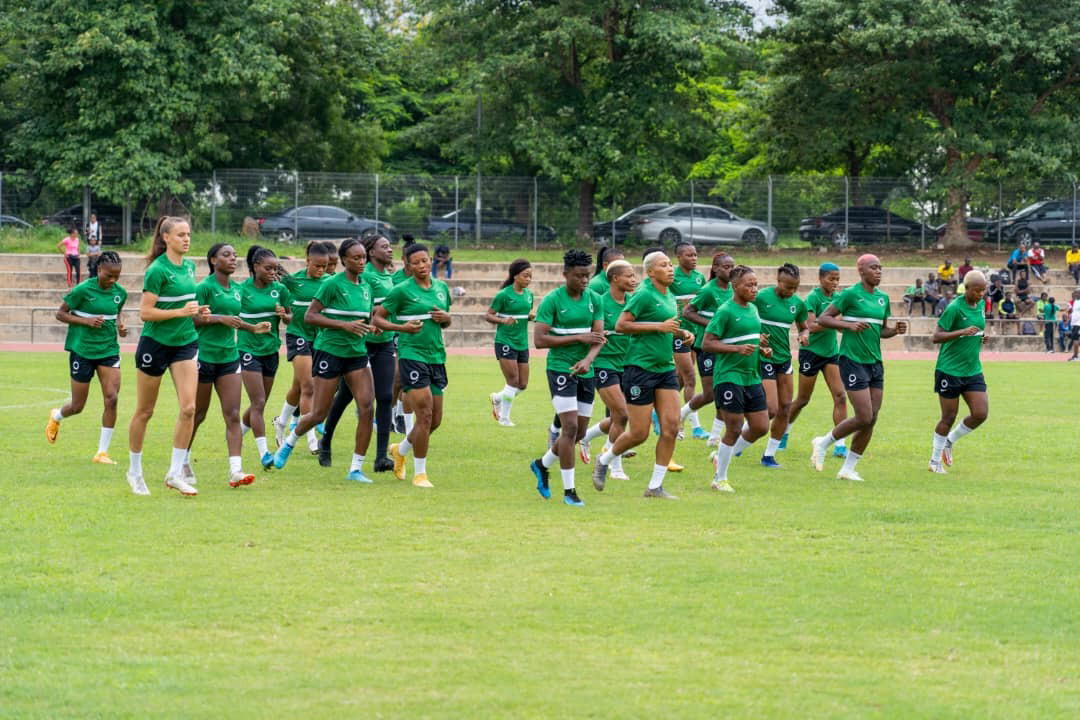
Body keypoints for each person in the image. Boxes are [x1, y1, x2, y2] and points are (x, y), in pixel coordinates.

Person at [273, 237, 376, 483]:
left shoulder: (366, 287)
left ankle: (355, 469)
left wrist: (370, 328)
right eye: (356, 258)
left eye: (363, 257)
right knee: (318, 413)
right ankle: (289, 442)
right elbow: (310, 316)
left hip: (357, 354)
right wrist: (343, 325)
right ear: (343, 260)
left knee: (367, 407)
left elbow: (366, 318)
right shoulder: (331, 285)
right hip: (329, 352)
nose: (361, 262)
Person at [592, 251, 693, 499]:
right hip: (639, 369)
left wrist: (680, 334)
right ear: (650, 272)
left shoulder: (668, 295)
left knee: (670, 427)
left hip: (665, 368)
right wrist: (659, 327)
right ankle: (604, 459)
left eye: (671, 264)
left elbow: (666, 326)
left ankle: (655, 486)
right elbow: (622, 325)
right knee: (639, 433)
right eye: (664, 265)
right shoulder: (643, 294)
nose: (670, 268)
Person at [809, 254, 908, 482]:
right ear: (861, 270)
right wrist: (848, 326)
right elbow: (823, 319)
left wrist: (894, 330)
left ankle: (848, 469)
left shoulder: (883, 299)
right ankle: (823, 443)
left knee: (872, 418)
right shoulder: (850, 294)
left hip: (875, 362)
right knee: (863, 416)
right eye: (874, 268)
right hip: (852, 360)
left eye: (880, 268)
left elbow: (880, 331)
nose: (878, 271)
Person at [127, 216, 207, 496]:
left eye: (189, 234)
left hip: (185, 342)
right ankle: (134, 472)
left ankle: (174, 473)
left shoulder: (188, 266)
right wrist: (179, 312)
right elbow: (145, 313)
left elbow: (185, 304)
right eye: (181, 234)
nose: (186, 239)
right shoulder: (157, 271)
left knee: (188, 408)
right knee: (145, 411)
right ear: (166, 238)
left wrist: (197, 311)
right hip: (155, 344)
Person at [527, 249, 604, 506]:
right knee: (569, 428)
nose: (584, 280)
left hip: (586, 369)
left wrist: (588, 360)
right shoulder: (552, 300)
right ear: (565, 274)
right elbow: (539, 340)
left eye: (588, 275)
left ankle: (541, 464)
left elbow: (598, 338)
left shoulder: (595, 298)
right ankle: (569, 492)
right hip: (561, 369)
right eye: (579, 275)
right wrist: (576, 338)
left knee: (579, 432)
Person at [377, 243, 453, 488]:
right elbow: (377, 317)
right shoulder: (401, 291)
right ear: (407, 266)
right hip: (412, 356)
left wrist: (446, 319)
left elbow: (444, 322)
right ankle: (420, 474)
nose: (422, 266)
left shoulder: (441, 288)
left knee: (435, 420)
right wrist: (402, 328)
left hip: (437, 358)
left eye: (425, 261)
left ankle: (401, 449)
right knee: (425, 415)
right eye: (416, 262)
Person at [189, 243, 263, 488]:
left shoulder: (237, 289)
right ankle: (182, 461)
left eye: (234, 255)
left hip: (229, 358)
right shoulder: (204, 287)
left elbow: (234, 319)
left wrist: (252, 328)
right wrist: (217, 318)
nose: (233, 259)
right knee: (197, 414)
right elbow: (194, 320)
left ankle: (236, 471)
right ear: (213, 260)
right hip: (204, 357)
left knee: (232, 415)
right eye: (226, 255)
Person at [46, 251, 127, 463]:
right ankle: (56, 416)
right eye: (109, 275)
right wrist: (86, 322)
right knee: (77, 406)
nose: (113, 280)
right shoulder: (83, 290)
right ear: (99, 269)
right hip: (82, 351)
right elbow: (60, 313)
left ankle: (102, 452)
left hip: (109, 350)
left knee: (112, 398)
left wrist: (120, 324)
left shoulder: (120, 292)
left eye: (117, 276)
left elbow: (116, 311)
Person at [701, 265, 772, 493]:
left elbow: (747, 336)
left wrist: (762, 347)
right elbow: (707, 343)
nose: (754, 289)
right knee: (734, 427)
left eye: (755, 284)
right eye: (749, 285)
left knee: (761, 426)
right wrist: (737, 349)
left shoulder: (752, 309)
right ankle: (719, 478)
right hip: (729, 376)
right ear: (735, 286)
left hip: (751, 376)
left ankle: (722, 452)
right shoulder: (725, 311)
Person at [578, 260, 637, 480]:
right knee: (621, 414)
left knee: (618, 417)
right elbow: (588, 333)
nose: (634, 280)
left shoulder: (634, 302)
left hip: (630, 364)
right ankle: (614, 465)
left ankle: (586, 437)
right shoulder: (599, 302)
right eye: (629, 276)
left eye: (634, 276)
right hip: (604, 364)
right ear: (614, 278)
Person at [273, 241, 330, 459]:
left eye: (324, 266)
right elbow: (284, 309)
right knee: (309, 387)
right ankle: (311, 438)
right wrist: (283, 313)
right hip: (298, 335)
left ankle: (281, 422)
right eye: (317, 265)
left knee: (298, 387)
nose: (321, 270)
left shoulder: (329, 282)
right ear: (308, 261)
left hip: (320, 338)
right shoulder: (293, 281)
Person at [929, 271, 989, 474]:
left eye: (983, 290)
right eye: (977, 290)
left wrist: (980, 337)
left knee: (980, 413)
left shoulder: (980, 305)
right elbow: (936, 336)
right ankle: (934, 461)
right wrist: (961, 332)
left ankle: (950, 441)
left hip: (972, 369)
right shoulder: (954, 307)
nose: (981, 294)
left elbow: (976, 328)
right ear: (967, 289)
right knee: (948, 417)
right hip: (949, 370)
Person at [787, 262, 848, 459]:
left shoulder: (838, 298)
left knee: (840, 396)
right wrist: (834, 322)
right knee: (803, 400)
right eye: (831, 279)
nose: (835, 283)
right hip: (811, 353)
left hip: (831, 353)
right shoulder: (813, 297)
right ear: (820, 278)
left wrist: (842, 325)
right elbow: (810, 326)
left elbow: (839, 326)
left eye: (837, 279)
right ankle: (783, 433)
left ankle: (840, 443)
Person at [237, 246, 291, 470]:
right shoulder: (242, 291)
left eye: (275, 269)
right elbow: (234, 319)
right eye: (268, 268)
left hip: (271, 350)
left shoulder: (280, 289)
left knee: (260, 403)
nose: (272, 272)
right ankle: (264, 453)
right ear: (255, 266)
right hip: (248, 350)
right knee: (258, 402)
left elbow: (290, 318)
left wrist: (283, 315)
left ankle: (236, 433)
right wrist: (251, 327)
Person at [752, 264, 808, 467]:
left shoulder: (797, 304)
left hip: (784, 359)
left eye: (795, 287)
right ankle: (737, 437)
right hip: (764, 357)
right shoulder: (761, 297)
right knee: (772, 408)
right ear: (778, 280)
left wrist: (804, 336)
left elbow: (804, 327)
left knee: (785, 407)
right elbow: (746, 315)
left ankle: (769, 455)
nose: (791, 291)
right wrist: (757, 337)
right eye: (788, 287)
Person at [679, 252, 735, 445]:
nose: (730, 270)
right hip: (707, 347)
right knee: (710, 393)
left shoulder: (733, 289)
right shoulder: (708, 290)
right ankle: (682, 413)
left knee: (723, 389)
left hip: (725, 347)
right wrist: (711, 324)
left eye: (732, 267)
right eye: (726, 267)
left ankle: (714, 436)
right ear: (715, 268)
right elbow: (687, 312)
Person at [359, 234, 400, 471]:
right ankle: (326, 441)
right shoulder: (365, 274)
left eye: (390, 246)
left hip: (385, 341)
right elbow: (359, 305)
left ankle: (381, 457)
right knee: (344, 397)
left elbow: (389, 308)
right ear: (372, 252)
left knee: (384, 397)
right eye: (384, 247)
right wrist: (375, 315)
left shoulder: (388, 276)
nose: (390, 250)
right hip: (362, 343)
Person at [486, 259, 534, 426]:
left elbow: (523, 314)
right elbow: (489, 315)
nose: (528, 279)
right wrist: (502, 320)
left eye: (530, 276)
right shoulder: (504, 295)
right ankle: (504, 418)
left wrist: (530, 317)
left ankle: (497, 398)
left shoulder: (529, 295)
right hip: (505, 341)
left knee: (522, 384)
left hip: (522, 342)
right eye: (525, 276)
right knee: (512, 381)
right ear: (515, 276)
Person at [669, 242, 706, 438]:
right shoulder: (672, 276)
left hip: (696, 333)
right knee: (690, 377)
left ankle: (661, 410)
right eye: (689, 255)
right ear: (679, 257)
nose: (694, 258)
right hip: (678, 334)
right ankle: (695, 426)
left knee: (681, 378)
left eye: (695, 254)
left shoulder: (700, 278)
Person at [1068, 290, 1080, 362]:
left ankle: (1075, 356)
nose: (1076, 294)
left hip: (1078, 324)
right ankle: (1075, 355)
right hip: (1074, 324)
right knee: (1076, 340)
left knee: (1075, 340)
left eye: (1077, 293)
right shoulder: (1076, 301)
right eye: (1075, 293)